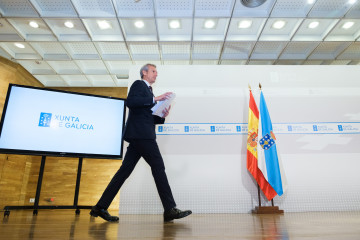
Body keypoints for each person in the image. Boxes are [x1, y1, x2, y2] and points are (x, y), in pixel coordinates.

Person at [90, 63, 192, 222]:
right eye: (153, 71)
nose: (156, 74)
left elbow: (148, 116)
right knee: (158, 166)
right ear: (144, 73)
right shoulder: (139, 85)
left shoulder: (149, 92)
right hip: (143, 136)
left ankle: (100, 207)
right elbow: (131, 102)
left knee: (123, 173)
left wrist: (162, 114)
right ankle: (169, 209)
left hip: (140, 135)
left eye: (156, 72)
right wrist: (155, 99)